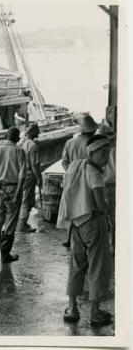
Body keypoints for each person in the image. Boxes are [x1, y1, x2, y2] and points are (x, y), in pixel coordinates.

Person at [56, 135, 113, 327]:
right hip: (93, 222)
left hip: (76, 223)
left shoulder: (75, 166)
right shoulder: (95, 174)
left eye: (108, 152)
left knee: (76, 265)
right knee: (98, 266)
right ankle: (95, 313)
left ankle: (72, 308)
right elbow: (99, 204)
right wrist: (108, 209)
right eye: (103, 153)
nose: (106, 157)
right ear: (91, 152)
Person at [0, 126, 26, 263]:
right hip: (14, 187)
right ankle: (5, 255)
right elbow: (22, 175)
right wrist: (17, 193)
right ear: (18, 138)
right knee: (10, 223)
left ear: (5, 136)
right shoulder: (19, 151)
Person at [61, 114, 98, 247]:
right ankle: (86, 238)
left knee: (72, 205)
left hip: (71, 178)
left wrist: (71, 170)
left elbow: (64, 161)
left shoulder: (70, 142)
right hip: (88, 178)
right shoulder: (93, 143)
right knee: (87, 207)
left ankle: (67, 238)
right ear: (92, 130)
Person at [16, 122, 43, 233]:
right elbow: (35, 165)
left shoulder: (23, 143)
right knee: (27, 200)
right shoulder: (33, 146)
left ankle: (21, 222)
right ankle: (22, 225)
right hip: (29, 175)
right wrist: (39, 178)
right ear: (32, 132)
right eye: (37, 130)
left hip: (21, 174)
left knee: (23, 199)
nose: (38, 132)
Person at [97, 124, 116, 255]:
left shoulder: (99, 152)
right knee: (114, 219)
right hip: (113, 187)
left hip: (102, 186)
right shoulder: (117, 150)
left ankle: (105, 245)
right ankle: (113, 245)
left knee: (101, 218)